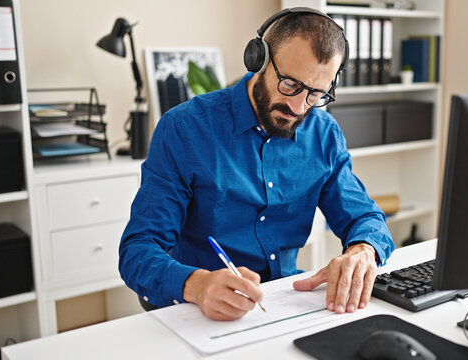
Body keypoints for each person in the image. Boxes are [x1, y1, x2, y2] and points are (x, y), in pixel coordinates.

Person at [119, 8, 394, 321]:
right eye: (290, 84)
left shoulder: (323, 134)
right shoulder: (183, 130)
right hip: (198, 313)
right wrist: (195, 285)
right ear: (258, 60)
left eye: (316, 93)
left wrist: (363, 250)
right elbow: (138, 249)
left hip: (283, 303)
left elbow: (366, 217)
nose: (298, 106)